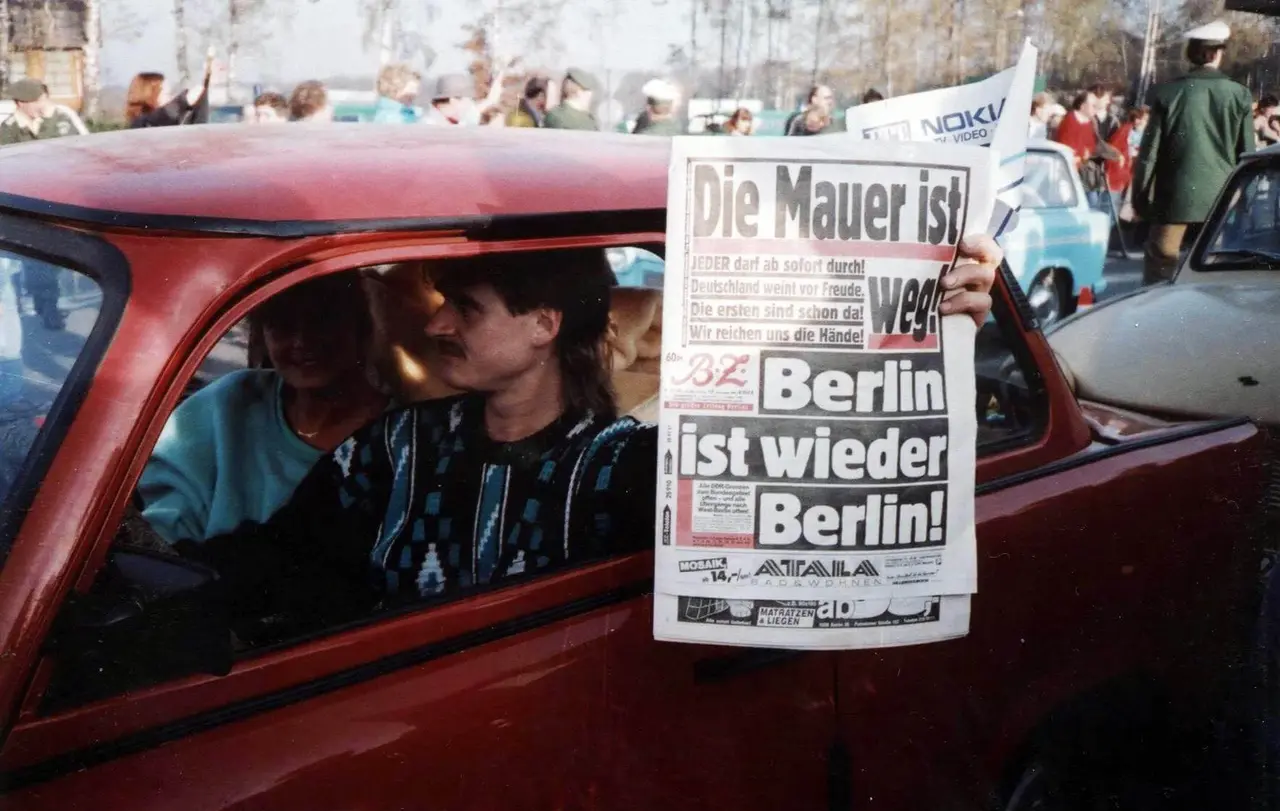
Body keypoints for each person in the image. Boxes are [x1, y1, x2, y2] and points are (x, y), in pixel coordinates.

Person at [169, 238, 1003, 637]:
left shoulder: (622, 470)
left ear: (542, 323)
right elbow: (279, 558)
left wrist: (937, 327)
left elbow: (829, 487)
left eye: (467, 305)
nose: (437, 322)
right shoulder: (391, 449)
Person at [139, 272, 391, 545]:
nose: (301, 341)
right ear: (262, 336)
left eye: (322, 321)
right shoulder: (228, 402)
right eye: (282, 325)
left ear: (360, 327)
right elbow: (163, 527)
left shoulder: (402, 434)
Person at [1133, 20, 1255, 285]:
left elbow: (1148, 154)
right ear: (1215, 54)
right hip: (1222, 201)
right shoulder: (1239, 95)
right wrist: (1247, 202)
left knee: (1159, 275)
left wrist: (1140, 201)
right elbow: (1247, 154)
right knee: (1215, 275)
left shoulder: (1167, 93)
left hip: (1172, 200)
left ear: (1193, 53)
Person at [126, 54, 213, 128]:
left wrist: (201, 95)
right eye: (167, 94)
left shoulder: (169, 124)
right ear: (150, 95)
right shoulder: (140, 125)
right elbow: (159, 117)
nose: (171, 98)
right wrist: (183, 101)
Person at [0, 79, 88, 144]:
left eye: (45, 100)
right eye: (37, 101)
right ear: (21, 103)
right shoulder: (9, 127)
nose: (43, 105)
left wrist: (48, 120)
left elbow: (83, 145)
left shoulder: (62, 116)